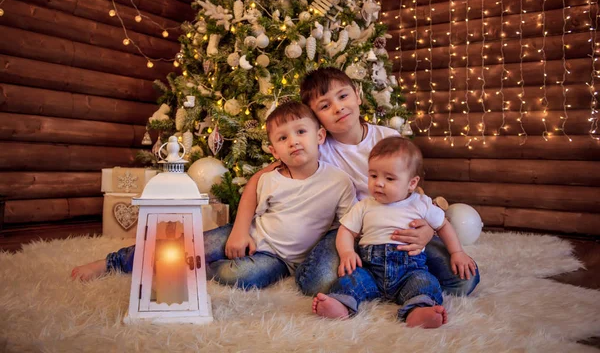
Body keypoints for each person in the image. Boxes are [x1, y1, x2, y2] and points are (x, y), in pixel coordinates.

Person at [236, 67, 480, 296]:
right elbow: (260, 178)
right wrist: (240, 229)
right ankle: (370, 274)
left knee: (464, 281)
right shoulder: (317, 147)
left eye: (343, 96)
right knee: (319, 281)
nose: (338, 108)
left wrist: (427, 230)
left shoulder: (387, 137)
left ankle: (386, 278)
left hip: (396, 224)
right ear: (317, 119)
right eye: (325, 105)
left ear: (357, 96)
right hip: (349, 230)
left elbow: (413, 187)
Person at [71, 102, 356, 290]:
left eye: (301, 132)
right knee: (190, 243)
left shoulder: (338, 181)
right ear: (273, 151)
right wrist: (240, 233)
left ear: (319, 137)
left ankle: (195, 269)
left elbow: (347, 224)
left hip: (281, 260)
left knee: (238, 277)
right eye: (283, 138)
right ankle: (114, 262)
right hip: (251, 235)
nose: (293, 141)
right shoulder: (271, 178)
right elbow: (249, 199)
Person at [312, 136, 477, 328]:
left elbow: (443, 225)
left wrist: (457, 252)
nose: (379, 183)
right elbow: (346, 230)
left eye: (389, 178)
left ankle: (418, 311)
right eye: (373, 176)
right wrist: (347, 252)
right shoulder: (364, 206)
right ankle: (340, 305)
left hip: (409, 271)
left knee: (424, 282)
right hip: (370, 270)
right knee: (351, 280)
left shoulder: (421, 203)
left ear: (412, 183)